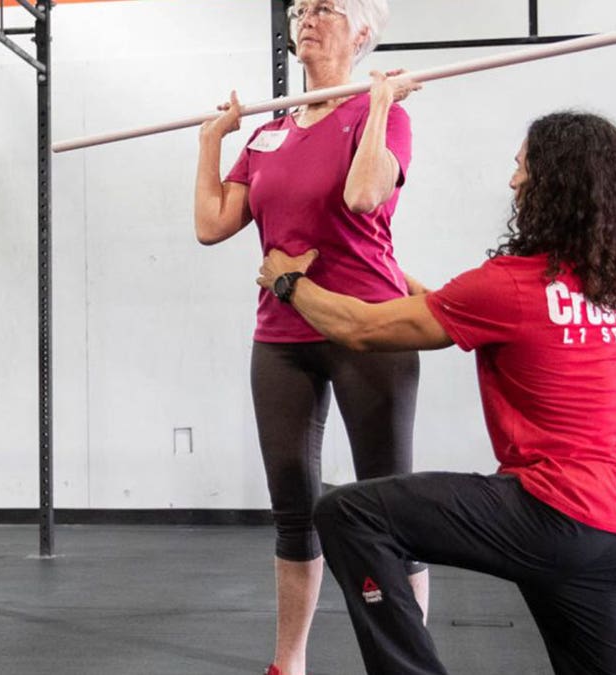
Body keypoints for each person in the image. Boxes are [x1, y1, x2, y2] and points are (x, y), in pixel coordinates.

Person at [256, 111, 616, 675]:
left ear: (553, 184)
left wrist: (288, 283)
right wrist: (389, 275)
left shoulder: (511, 285)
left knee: (349, 513)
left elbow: (361, 331)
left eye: (522, 168)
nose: (514, 182)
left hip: (545, 511)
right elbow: (461, 307)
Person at [192, 2, 428, 673]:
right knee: (293, 506)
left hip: (369, 329)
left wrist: (378, 103)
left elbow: (362, 195)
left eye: (326, 8)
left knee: (390, 507)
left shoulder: (387, 116)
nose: (307, 17)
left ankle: (407, 662)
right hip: (282, 333)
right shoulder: (267, 134)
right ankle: (287, 664)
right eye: (301, 8)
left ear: (362, 33)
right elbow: (212, 223)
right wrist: (213, 138)